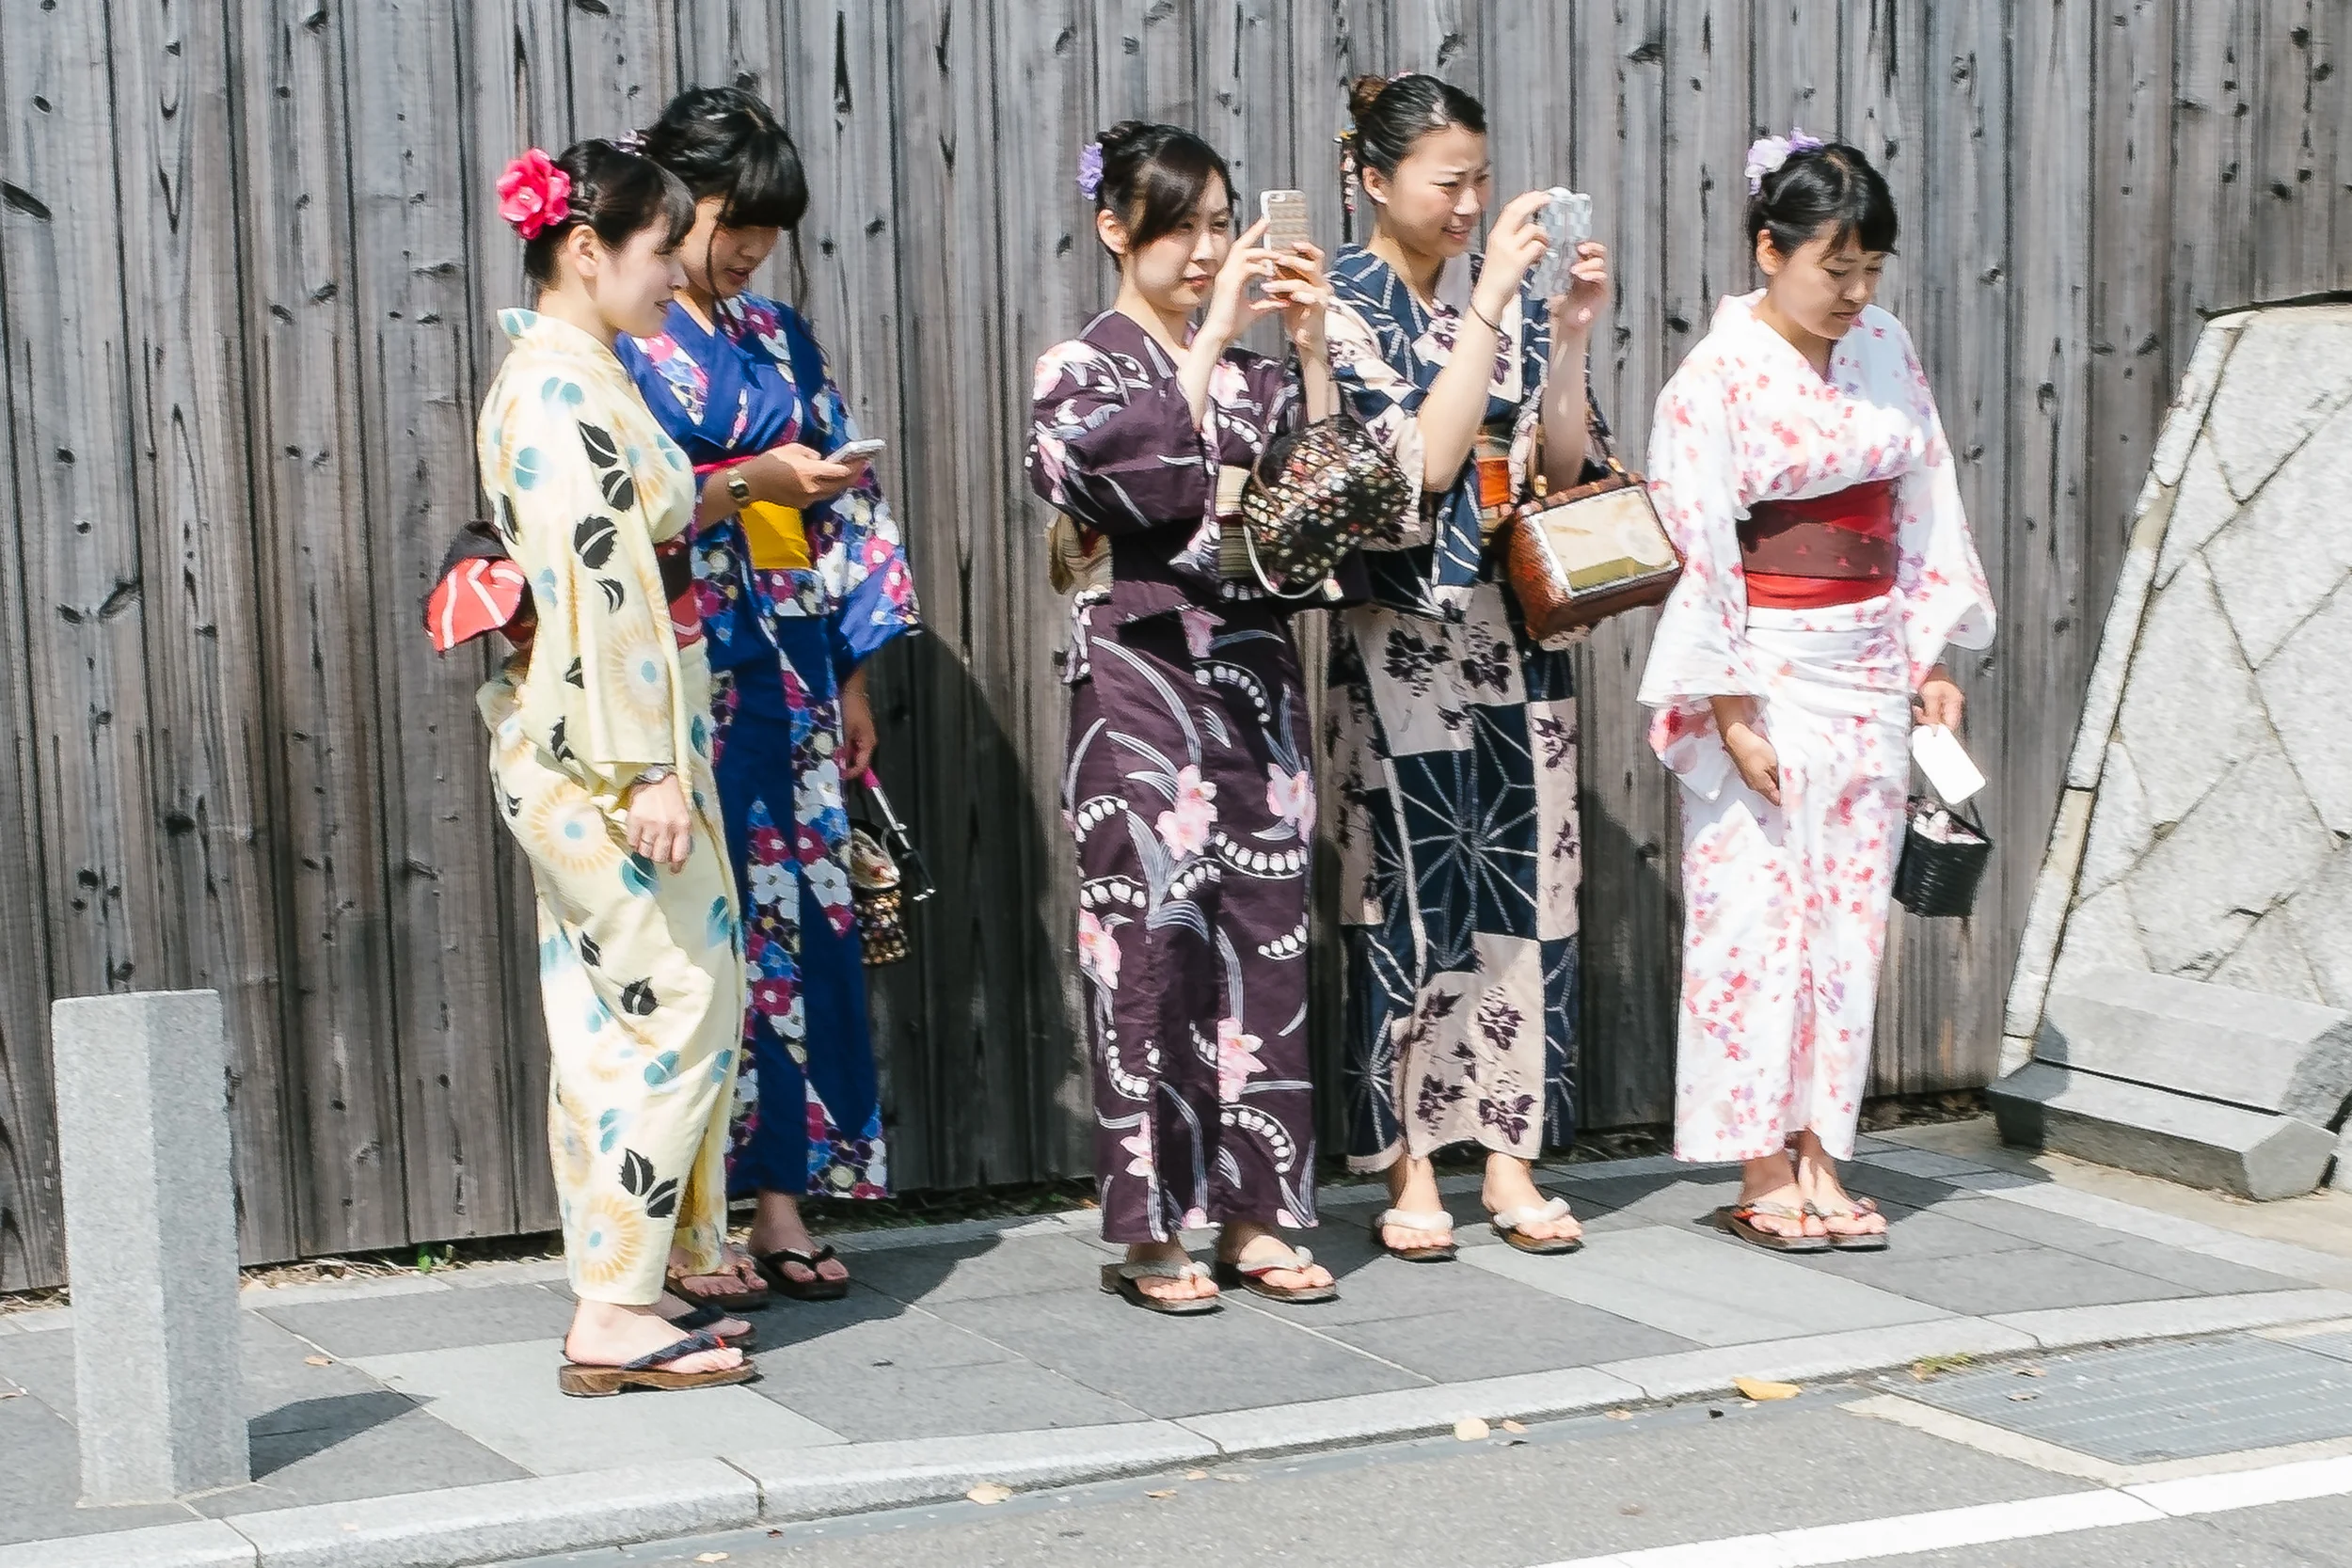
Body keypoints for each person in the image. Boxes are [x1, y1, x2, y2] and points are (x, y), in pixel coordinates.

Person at [1637, 134, 1994, 1252]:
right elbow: (1698, 542)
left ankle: (1825, 1151)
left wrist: (1931, 655)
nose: (1853, 293)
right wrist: (1729, 703)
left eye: (1869, 271)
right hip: (1767, 657)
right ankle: (1757, 1158)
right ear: (1769, 250)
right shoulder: (1715, 376)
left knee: (1846, 922)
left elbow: (1925, 492)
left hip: (1870, 657)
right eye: (1832, 268)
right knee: (1754, 913)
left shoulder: (1884, 346)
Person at [1027, 121, 1343, 1313]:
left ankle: (1259, 1210)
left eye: (1222, 226)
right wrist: (1207, 344)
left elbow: (1331, 509)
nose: (1210, 250)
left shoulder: (1262, 377)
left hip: (1254, 670)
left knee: (1265, 931)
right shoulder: (1080, 362)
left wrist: (1308, 355)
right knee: (1148, 944)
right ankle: (1154, 1228)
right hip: (1134, 674)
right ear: (1116, 229)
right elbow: (1111, 482)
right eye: (1184, 228)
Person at [618, 86, 920, 1306]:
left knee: (807, 929)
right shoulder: (628, 337)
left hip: (792, 664)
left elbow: (838, 505)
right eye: (731, 221)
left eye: (764, 231)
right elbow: (632, 505)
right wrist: (753, 477)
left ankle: (786, 1194)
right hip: (688, 674)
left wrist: (849, 670)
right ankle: (697, 1217)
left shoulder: (780, 336)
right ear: (678, 202)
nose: (745, 249)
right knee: (711, 935)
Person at [473, 139, 752, 1394]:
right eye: (658, 251)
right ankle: (620, 1300)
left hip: (584, 738)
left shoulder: (576, 374)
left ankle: (627, 1280)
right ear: (587, 249)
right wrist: (647, 769)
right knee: (685, 1002)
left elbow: (631, 542)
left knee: (606, 1018)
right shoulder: (563, 392)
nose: (673, 275)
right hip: (607, 747)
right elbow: (601, 585)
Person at [1322, 73, 1610, 1260]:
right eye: (1450, 182)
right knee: (1401, 890)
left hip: (1513, 629)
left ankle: (1507, 1149)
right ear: (1374, 179)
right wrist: (1493, 297)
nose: (1470, 202)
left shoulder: (1517, 300)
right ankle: (1407, 1156)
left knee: (1527, 897)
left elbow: (1562, 461)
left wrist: (1574, 339)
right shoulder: (1337, 304)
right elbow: (1416, 471)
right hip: (1399, 638)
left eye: (1480, 179)